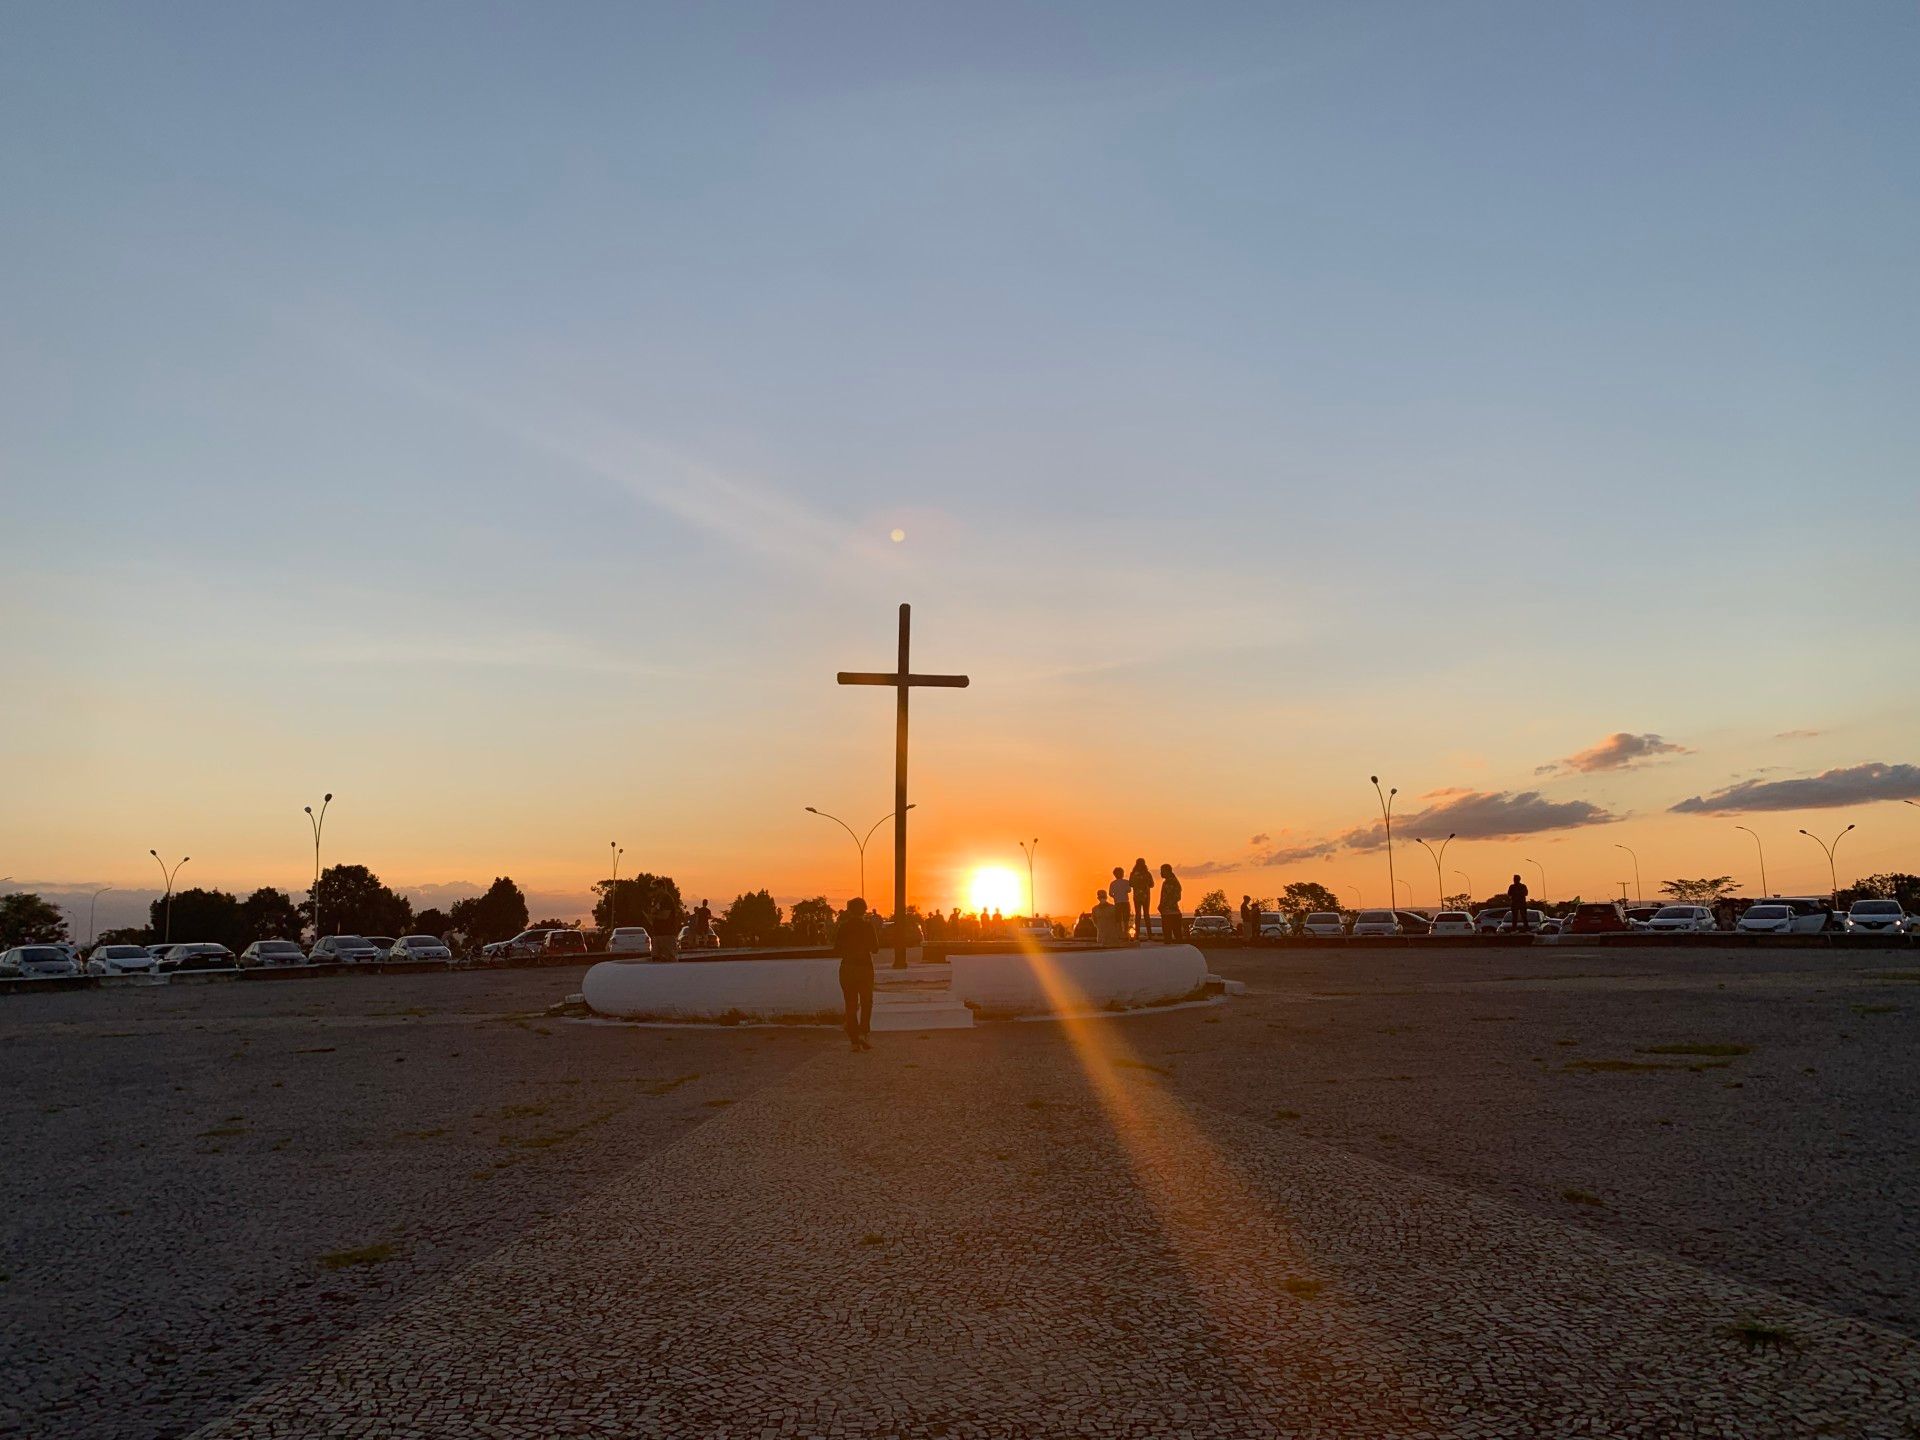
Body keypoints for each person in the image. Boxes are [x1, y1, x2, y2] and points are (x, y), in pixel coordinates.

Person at [833, 898, 877, 1051]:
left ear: (849, 910)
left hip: (847, 967)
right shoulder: (867, 926)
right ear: (864, 909)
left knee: (850, 1004)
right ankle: (864, 1033)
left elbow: (837, 948)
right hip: (864, 967)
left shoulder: (843, 927)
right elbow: (875, 948)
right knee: (866, 1002)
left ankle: (854, 1041)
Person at [1128, 858, 1154, 942]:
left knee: (1138, 915)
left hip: (1137, 896)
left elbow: (1130, 884)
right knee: (1146, 914)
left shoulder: (1133, 874)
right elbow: (1152, 884)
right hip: (1146, 896)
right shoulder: (1147, 873)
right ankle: (1150, 934)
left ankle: (1137, 935)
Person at [1159, 863, 1184, 943]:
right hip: (1173, 913)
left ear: (1167, 871)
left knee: (1168, 938)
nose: (1161, 873)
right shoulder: (1174, 881)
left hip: (1169, 913)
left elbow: (1169, 897)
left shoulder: (1169, 882)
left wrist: (1162, 906)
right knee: (1178, 936)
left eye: (1162, 871)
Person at [1108, 867, 1132, 940]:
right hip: (1125, 902)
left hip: (1117, 903)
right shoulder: (1126, 882)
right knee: (1126, 920)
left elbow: (1110, 893)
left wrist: (1115, 896)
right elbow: (1129, 890)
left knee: (1118, 920)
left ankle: (1119, 934)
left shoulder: (1113, 883)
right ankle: (1125, 934)